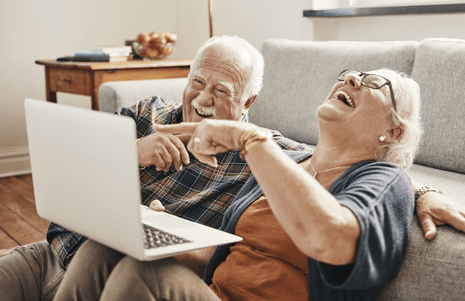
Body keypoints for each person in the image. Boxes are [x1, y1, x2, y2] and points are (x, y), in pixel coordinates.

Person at [0, 36, 465, 300]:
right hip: (56, 251)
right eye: (198, 82)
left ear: (249, 102)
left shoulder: (266, 154)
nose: (203, 98)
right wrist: (147, 197)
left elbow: (358, 196)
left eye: (223, 91)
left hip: (145, 282)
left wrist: (422, 192)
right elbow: (229, 254)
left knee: (136, 269)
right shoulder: (146, 119)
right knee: (107, 252)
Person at [54, 68, 422, 300]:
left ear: (392, 130)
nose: (351, 79)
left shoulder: (384, 179)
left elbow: (330, 238)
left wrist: (249, 139)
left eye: (375, 82)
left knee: (143, 276)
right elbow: (228, 258)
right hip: (213, 293)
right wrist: (164, 237)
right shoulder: (292, 161)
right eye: (349, 74)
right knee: (106, 248)